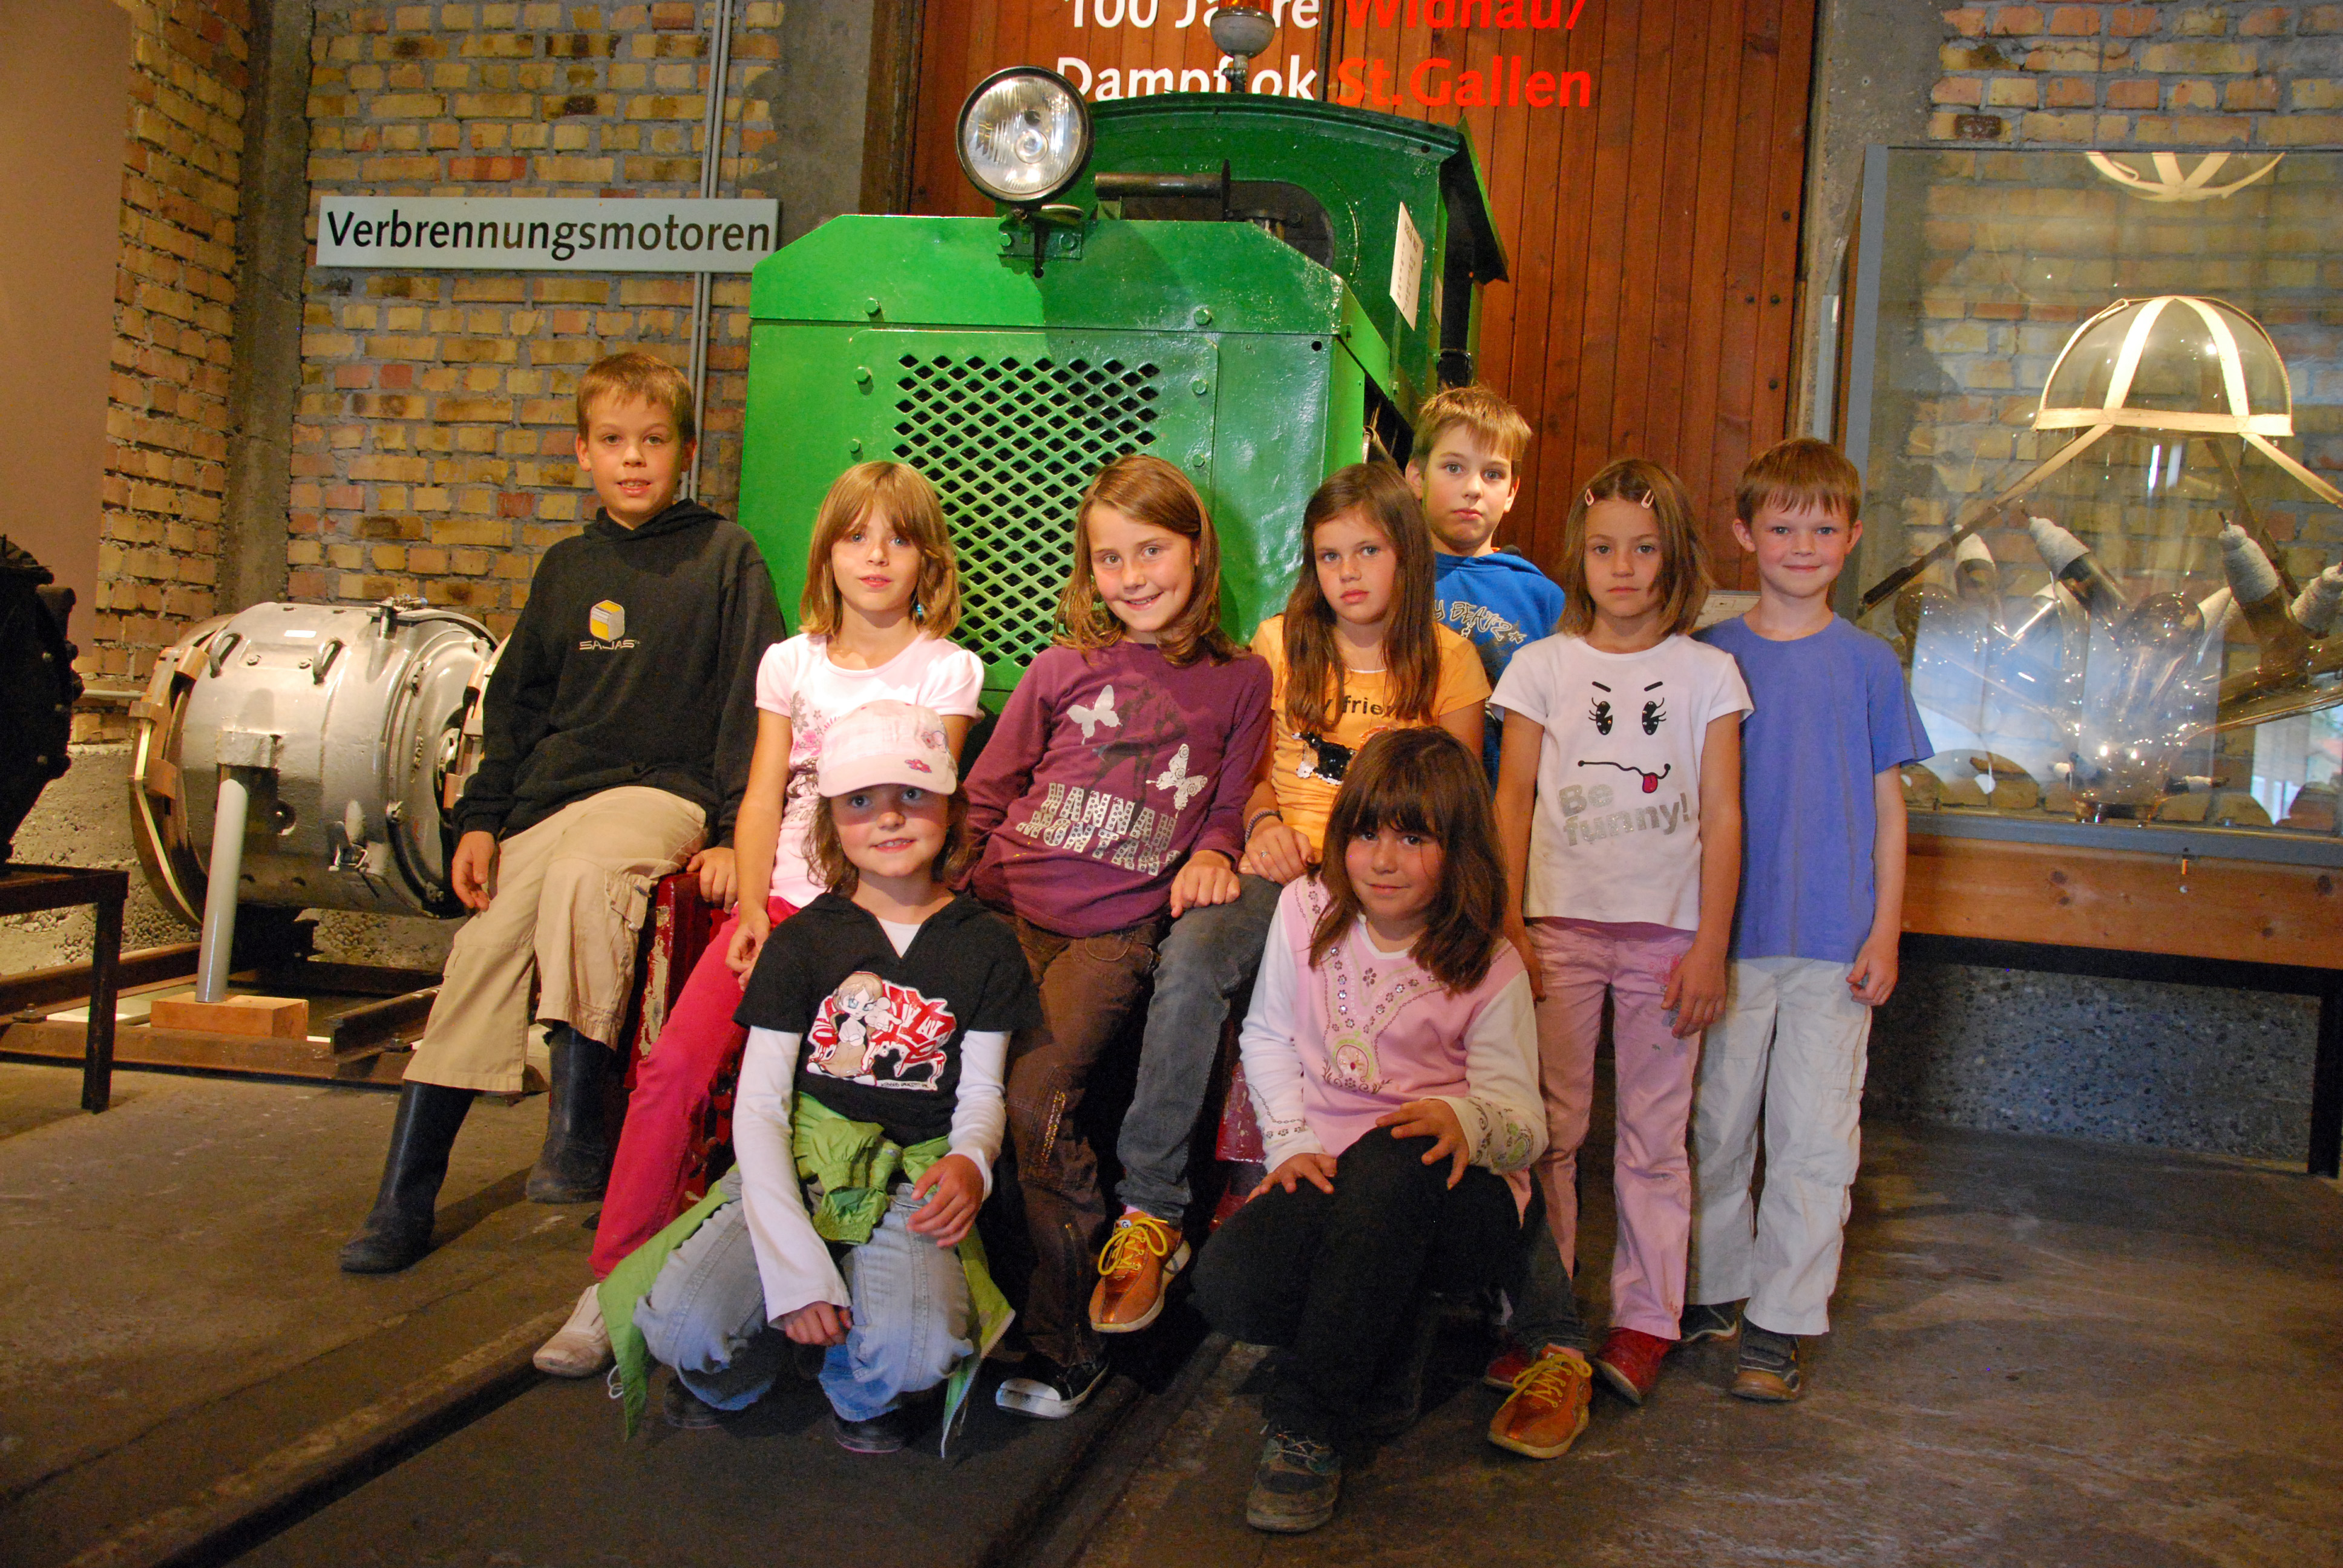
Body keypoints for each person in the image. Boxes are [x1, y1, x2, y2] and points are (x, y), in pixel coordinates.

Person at [531, 461, 983, 1376]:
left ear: (926, 560)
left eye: (898, 539)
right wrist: (748, 906)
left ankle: (852, 1281)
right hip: (780, 907)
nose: (876, 557)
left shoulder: (946, 670)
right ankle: (614, 1281)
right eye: (856, 537)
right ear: (828, 555)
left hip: (876, 920)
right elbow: (764, 796)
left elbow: (920, 811)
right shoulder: (792, 663)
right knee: (674, 1070)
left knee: (843, 1103)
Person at [339, 350, 782, 1275]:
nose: (634, 458)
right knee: (483, 949)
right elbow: (516, 711)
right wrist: (480, 821)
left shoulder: (726, 557)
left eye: (653, 441)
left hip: (661, 791)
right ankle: (402, 1199)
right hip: (553, 800)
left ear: (686, 451)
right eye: (613, 441)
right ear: (583, 451)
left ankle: (582, 1127)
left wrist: (733, 835)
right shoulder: (566, 567)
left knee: (589, 876)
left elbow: (755, 704)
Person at [1086, 461, 1489, 1341]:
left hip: (1386, 876)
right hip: (1284, 862)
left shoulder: (1449, 661)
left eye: (1368, 552)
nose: (1348, 573)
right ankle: (1150, 1212)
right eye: (1329, 556)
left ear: (1406, 554)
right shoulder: (1278, 642)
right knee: (1192, 960)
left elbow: (1456, 805)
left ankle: (1370, 1227)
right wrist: (1262, 821)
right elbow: (1246, 768)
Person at [600, 702, 1043, 1453]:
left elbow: (980, 1092)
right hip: (798, 1166)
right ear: (832, 822)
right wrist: (794, 1270)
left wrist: (973, 1158)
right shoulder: (802, 942)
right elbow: (761, 1109)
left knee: (917, 1353)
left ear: (951, 807)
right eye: (860, 801)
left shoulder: (987, 947)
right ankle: (759, 1358)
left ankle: (853, 1383)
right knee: (683, 1328)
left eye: (912, 794)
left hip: (908, 1181)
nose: (889, 818)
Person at [960, 454, 1273, 1419]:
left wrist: (1214, 850)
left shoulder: (1240, 680)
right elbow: (988, 794)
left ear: (1197, 551)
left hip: (1110, 932)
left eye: (1151, 551)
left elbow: (1228, 805)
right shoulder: (1061, 669)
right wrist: (936, 903)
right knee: (944, 1091)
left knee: (1036, 1105)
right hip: (1004, 907)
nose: (1132, 576)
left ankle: (1068, 1340)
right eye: (1110, 558)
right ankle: (951, 1316)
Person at [1189, 727, 1551, 1535]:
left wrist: (1463, 1117)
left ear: (1457, 849)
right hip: (1331, 1170)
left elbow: (1526, 1127)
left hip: (1455, 1204)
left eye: (1414, 839)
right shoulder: (1305, 909)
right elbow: (1269, 1036)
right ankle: (1387, 1338)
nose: (1383, 861)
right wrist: (1290, 1144)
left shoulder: (1488, 962)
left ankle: (1307, 1428)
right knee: (1231, 1284)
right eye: (1366, 834)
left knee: (1396, 1156)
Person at [1484, 457, 1749, 1434]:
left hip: (1667, 940)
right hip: (1556, 930)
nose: (1624, 568)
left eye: (1643, 549)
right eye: (1604, 549)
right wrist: (1508, 923)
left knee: (1652, 1136)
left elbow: (1723, 815)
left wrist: (1711, 943)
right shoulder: (1541, 667)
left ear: (1673, 556)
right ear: (1579, 557)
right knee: (1548, 1130)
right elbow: (1512, 800)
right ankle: (1543, 1318)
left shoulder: (1709, 675)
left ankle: (1646, 1319)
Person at [1685, 438, 1930, 1402]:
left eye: (1823, 530)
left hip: (1835, 942)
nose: (1802, 545)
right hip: (1726, 939)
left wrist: (1886, 928)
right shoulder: (1710, 657)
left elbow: (1890, 808)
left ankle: (1780, 1322)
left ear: (1853, 538)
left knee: (1815, 1136)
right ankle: (1711, 1289)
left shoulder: (1869, 665)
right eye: (1783, 527)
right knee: (1715, 1124)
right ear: (1745, 534)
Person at [1409, 385, 1567, 780]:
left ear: (1511, 492)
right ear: (1416, 476)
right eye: (1454, 468)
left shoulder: (1543, 599)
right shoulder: (1387, 580)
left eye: (1493, 474)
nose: (1473, 489)